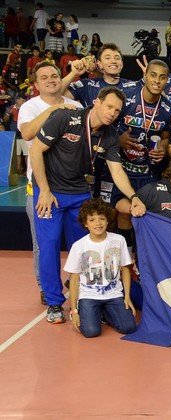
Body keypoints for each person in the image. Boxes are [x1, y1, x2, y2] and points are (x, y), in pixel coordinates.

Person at [29, 86, 146, 324]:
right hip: (49, 191)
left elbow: (116, 170)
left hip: (79, 191)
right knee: (49, 245)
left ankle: (86, 296)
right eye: (109, 106)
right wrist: (44, 191)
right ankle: (53, 302)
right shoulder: (64, 117)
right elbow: (35, 150)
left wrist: (133, 196)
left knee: (87, 248)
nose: (112, 113)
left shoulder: (111, 134)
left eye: (117, 110)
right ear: (97, 102)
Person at [18, 61, 82, 305]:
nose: (51, 80)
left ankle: (75, 282)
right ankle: (46, 288)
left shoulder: (76, 106)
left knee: (79, 242)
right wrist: (53, 111)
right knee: (44, 246)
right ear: (36, 84)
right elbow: (27, 133)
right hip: (40, 187)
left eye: (54, 76)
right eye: (44, 77)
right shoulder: (30, 106)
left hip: (72, 186)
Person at [109, 60, 171, 251]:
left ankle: (140, 260)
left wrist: (162, 148)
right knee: (121, 214)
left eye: (162, 77)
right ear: (145, 76)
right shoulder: (126, 97)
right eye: (153, 75)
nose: (157, 81)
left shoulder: (168, 108)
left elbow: (165, 137)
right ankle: (125, 260)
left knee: (145, 218)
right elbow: (106, 128)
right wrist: (118, 140)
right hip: (123, 170)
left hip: (148, 173)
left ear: (166, 82)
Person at [65, 198, 136, 338]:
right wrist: (74, 310)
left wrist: (127, 297)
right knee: (91, 332)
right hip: (89, 296)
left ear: (107, 220)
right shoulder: (79, 246)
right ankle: (94, 311)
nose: (98, 223)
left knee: (129, 327)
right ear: (85, 223)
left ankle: (104, 312)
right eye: (92, 220)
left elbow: (126, 269)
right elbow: (74, 279)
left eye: (101, 219)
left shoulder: (118, 240)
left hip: (114, 294)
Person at [65, 43, 137, 106]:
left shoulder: (133, 87)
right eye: (108, 58)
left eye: (117, 58)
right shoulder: (87, 85)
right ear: (99, 64)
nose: (113, 61)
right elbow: (56, 96)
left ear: (122, 63)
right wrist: (73, 74)